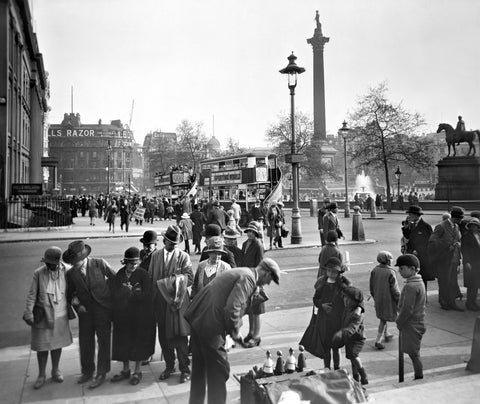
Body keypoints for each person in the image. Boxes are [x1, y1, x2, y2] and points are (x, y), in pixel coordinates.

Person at [185, 258, 281, 404]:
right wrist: (235, 332)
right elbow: (232, 307)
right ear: (266, 273)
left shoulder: (244, 272)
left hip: (199, 318)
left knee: (200, 369)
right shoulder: (248, 278)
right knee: (219, 369)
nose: (268, 283)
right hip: (210, 323)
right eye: (270, 279)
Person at [65, 240, 115, 389]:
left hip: (103, 309)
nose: (74, 265)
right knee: (85, 342)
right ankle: (87, 371)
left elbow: (115, 279)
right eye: (73, 262)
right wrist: (77, 305)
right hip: (85, 312)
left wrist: (109, 299)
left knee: (104, 341)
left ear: (83, 258)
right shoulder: (71, 273)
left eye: (76, 262)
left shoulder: (99, 263)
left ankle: (101, 373)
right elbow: (71, 294)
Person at [148, 225, 193, 384]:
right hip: (160, 303)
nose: (173, 245)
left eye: (175, 243)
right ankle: (169, 366)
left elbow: (189, 278)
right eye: (170, 242)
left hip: (177, 303)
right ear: (164, 240)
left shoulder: (183, 256)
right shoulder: (155, 256)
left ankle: (185, 369)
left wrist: (171, 284)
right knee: (164, 337)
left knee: (180, 337)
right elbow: (151, 277)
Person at [23, 247, 73, 390]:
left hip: (61, 314)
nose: (48, 265)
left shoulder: (68, 270)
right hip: (43, 314)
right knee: (42, 347)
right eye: (47, 263)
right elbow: (32, 294)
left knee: (57, 345)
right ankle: (41, 375)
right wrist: (28, 313)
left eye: (51, 263)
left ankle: (55, 370)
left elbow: (75, 287)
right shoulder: (38, 273)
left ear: (58, 262)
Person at [110, 247, 156, 385]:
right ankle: (125, 370)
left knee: (138, 343)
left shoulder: (143, 274)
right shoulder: (120, 274)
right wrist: (123, 292)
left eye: (135, 263)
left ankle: (137, 371)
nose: (133, 266)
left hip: (139, 316)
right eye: (130, 263)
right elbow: (114, 293)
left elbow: (147, 295)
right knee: (123, 342)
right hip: (123, 316)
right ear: (125, 262)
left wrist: (134, 293)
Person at [313, 257, 351, 370]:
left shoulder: (343, 284)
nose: (331, 273)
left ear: (339, 272)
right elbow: (315, 299)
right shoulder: (321, 282)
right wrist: (322, 305)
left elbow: (349, 299)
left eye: (334, 271)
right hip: (324, 320)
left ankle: (337, 367)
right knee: (326, 347)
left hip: (337, 320)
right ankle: (326, 368)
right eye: (329, 270)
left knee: (336, 346)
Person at [395, 254, 426, 380]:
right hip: (417, 322)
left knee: (414, 354)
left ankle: (419, 376)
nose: (399, 271)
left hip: (412, 324)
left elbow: (407, 309)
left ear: (412, 268)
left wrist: (399, 322)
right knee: (414, 353)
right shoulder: (419, 282)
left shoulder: (410, 286)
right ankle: (418, 375)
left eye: (402, 268)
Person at [428, 206, 464, 311]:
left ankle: (451, 302)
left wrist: (458, 244)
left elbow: (457, 239)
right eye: (459, 218)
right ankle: (443, 302)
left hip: (454, 259)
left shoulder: (456, 226)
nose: (461, 221)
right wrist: (449, 245)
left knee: (452, 281)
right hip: (444, 259)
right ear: (454, 217)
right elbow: (432, 242)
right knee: (444, 281)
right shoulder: (441, 226)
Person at [332, 286, 368, 385]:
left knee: (353, 356)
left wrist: (341, 333)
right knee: (351, 357)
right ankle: (356, 376)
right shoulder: (347, 308)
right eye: (344, 298)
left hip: (357, 338)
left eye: (348, 299)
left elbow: (352, 328)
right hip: (349, 337)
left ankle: (363, 374)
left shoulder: (357, 314)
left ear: (355, 301)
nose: (345, 300)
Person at [369, 251, 400, 349]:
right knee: (386, 319)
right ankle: (378, 340)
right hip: (388, 299)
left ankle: (386, 333)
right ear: (388, 260)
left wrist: (375, 296)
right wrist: (399, 299)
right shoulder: (390, 272)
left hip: (378, 298)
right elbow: (395, 289)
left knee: (383, 316)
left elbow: (371, 286)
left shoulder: (375, 270)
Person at [241, 221, 265, 348]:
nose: (250, 233)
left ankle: (256, 336)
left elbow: (260, 266)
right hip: (247, 280)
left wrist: (258, 285)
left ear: (256, 233)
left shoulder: (258, 245)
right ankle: (251, 332)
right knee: (250, 309)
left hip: (255, 281)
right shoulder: (245, 244)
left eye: (252, 232)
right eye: (248, 231)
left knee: (256, 310)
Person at [401, 206, 434, 292]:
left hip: (422, 258)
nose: (409, 216)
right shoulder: (410, 225)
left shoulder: (426, 226)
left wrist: (418, 250)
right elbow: (407, 238)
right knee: (412, 278)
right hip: (412, 256)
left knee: (422, 280)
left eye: (410, 214)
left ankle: (423, 299)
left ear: (416, 215)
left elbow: (429, 242)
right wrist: (405, 228)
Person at [461, 217, 480, 311]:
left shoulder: (479, 235)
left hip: (478, 263)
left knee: (476, 283)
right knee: (471, 284)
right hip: (471, 263)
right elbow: (465, 250)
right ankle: (469, 303)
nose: (473, 228)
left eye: (475, 226)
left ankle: (473, 302)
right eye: (472, 226)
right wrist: (467, 262)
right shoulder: (467, 236)